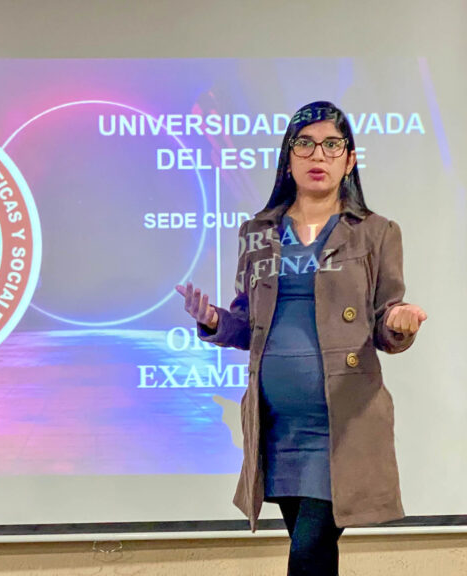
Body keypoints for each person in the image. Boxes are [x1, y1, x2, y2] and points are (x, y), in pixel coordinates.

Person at [175, 101, 426, 575]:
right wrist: (212, 320)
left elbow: (384, 317)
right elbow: (247, 324)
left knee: (308, 553)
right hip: (278, 428)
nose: (318, 155)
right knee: (314, 555)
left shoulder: (376, 232)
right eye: (305, 144)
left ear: (349, 160)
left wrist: (398, 321)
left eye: (332, 145)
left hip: (342, 423)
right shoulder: (257, 232)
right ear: (288, 158)